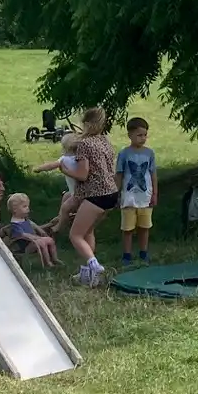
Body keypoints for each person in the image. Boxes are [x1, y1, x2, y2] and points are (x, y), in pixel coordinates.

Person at [64, 107, 119, 287]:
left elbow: (82, 175)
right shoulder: (104, 141)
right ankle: (88, 276)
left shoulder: (85, 144)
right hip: (111, 193)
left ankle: (94, 266)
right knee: (88, 231)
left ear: (86, 123)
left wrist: (65, 170)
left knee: (75, 235)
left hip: (96, 194)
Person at [115, 117, 158, 265]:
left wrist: (154, 194)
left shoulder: (149, 153)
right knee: (127, 228)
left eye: (145, 135)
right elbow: (119, 174)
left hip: (145, 197)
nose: (143, 138)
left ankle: (143, 252)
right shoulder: (124, 154)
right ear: (130, 135)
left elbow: (153, 174)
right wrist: (116, 193)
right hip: (129, 197)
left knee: (144, 227)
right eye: (139, 135)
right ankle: (127, 255)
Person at [31, 133, 83, 234]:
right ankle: (60, 217)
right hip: (81, 191)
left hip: (77, 194)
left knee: (65, 207)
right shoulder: (80, 159)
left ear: (65, 148)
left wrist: (38, 169)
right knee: (66, 196)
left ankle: (58, 227)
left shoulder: (64, 159)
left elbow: (51, 166)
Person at [6, 193, 59, 268]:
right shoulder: (15, 224)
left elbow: (36, 227)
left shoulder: (25, 219)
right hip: (25, 245)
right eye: (24, 206)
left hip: (33, 241)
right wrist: (37, 238)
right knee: (42, 243)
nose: (28, 208)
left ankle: (55, 258)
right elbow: (23, 235)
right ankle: (48, 262)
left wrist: (47, 227)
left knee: (50, 240)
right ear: (15, 210)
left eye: (28, 206)